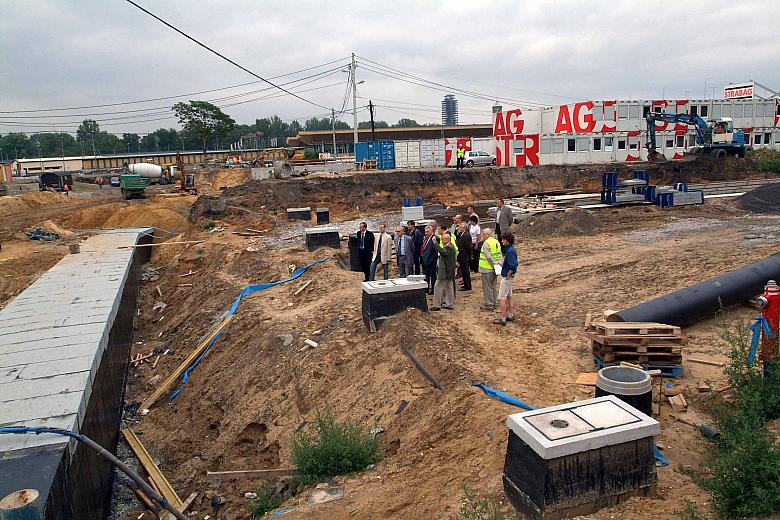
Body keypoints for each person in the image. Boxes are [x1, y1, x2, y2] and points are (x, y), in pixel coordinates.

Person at [495, 232, 518, 326]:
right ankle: (510, 315)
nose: (501, 241)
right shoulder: (510, 249)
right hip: (509, 276)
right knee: (509, 296)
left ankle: (503, 318)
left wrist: (508, 275)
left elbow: (513, 266)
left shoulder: (510, 251)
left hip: (507, 277)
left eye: (503, 239)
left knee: (502, 298)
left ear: (506, 240)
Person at [478, 228, 501, 310]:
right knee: (493, 286)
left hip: (487, 268)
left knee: (487, 287)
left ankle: (489, 304)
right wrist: (497, 265)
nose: (482, 236)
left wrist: (493, 265)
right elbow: (499, 254)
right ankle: (495, 302)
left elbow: (488, 257)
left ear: (487, 235)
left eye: (483, 234)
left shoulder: (486, 243)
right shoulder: (496, 241)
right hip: (495, 268)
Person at [432, 233, 456, 310]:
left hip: (445, 271)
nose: (442, 240)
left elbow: (442, 251)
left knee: (437, 286)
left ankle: (436, 305)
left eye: (443, 239)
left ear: (447, 239)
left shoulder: (449, 247)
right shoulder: (450, 246)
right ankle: (449, 304)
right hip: (448, 271)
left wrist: (435, 243)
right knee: (449, 287)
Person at [420, 225, 439, 294]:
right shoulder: (426, 238)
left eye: (427, 232)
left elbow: (436, 251)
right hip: (425, 260)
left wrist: (432, 260)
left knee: (433, 276)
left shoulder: (435, 238)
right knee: (426, 275)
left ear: (432, 231)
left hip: (431, 261)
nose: (426, 233)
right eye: (425, 232)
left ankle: (433, 289)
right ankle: (427, 288)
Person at [456, 222, 473, 291]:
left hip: (464, 256)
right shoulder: (462, 234)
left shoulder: (466, 235)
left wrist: (468, 255)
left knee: (466, 271)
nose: (459, 228)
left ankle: (468, 285)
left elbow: (468, 247)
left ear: (464, 228)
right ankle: (466, 284)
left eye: (460, 227)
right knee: (463, 271)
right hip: (462, 256)